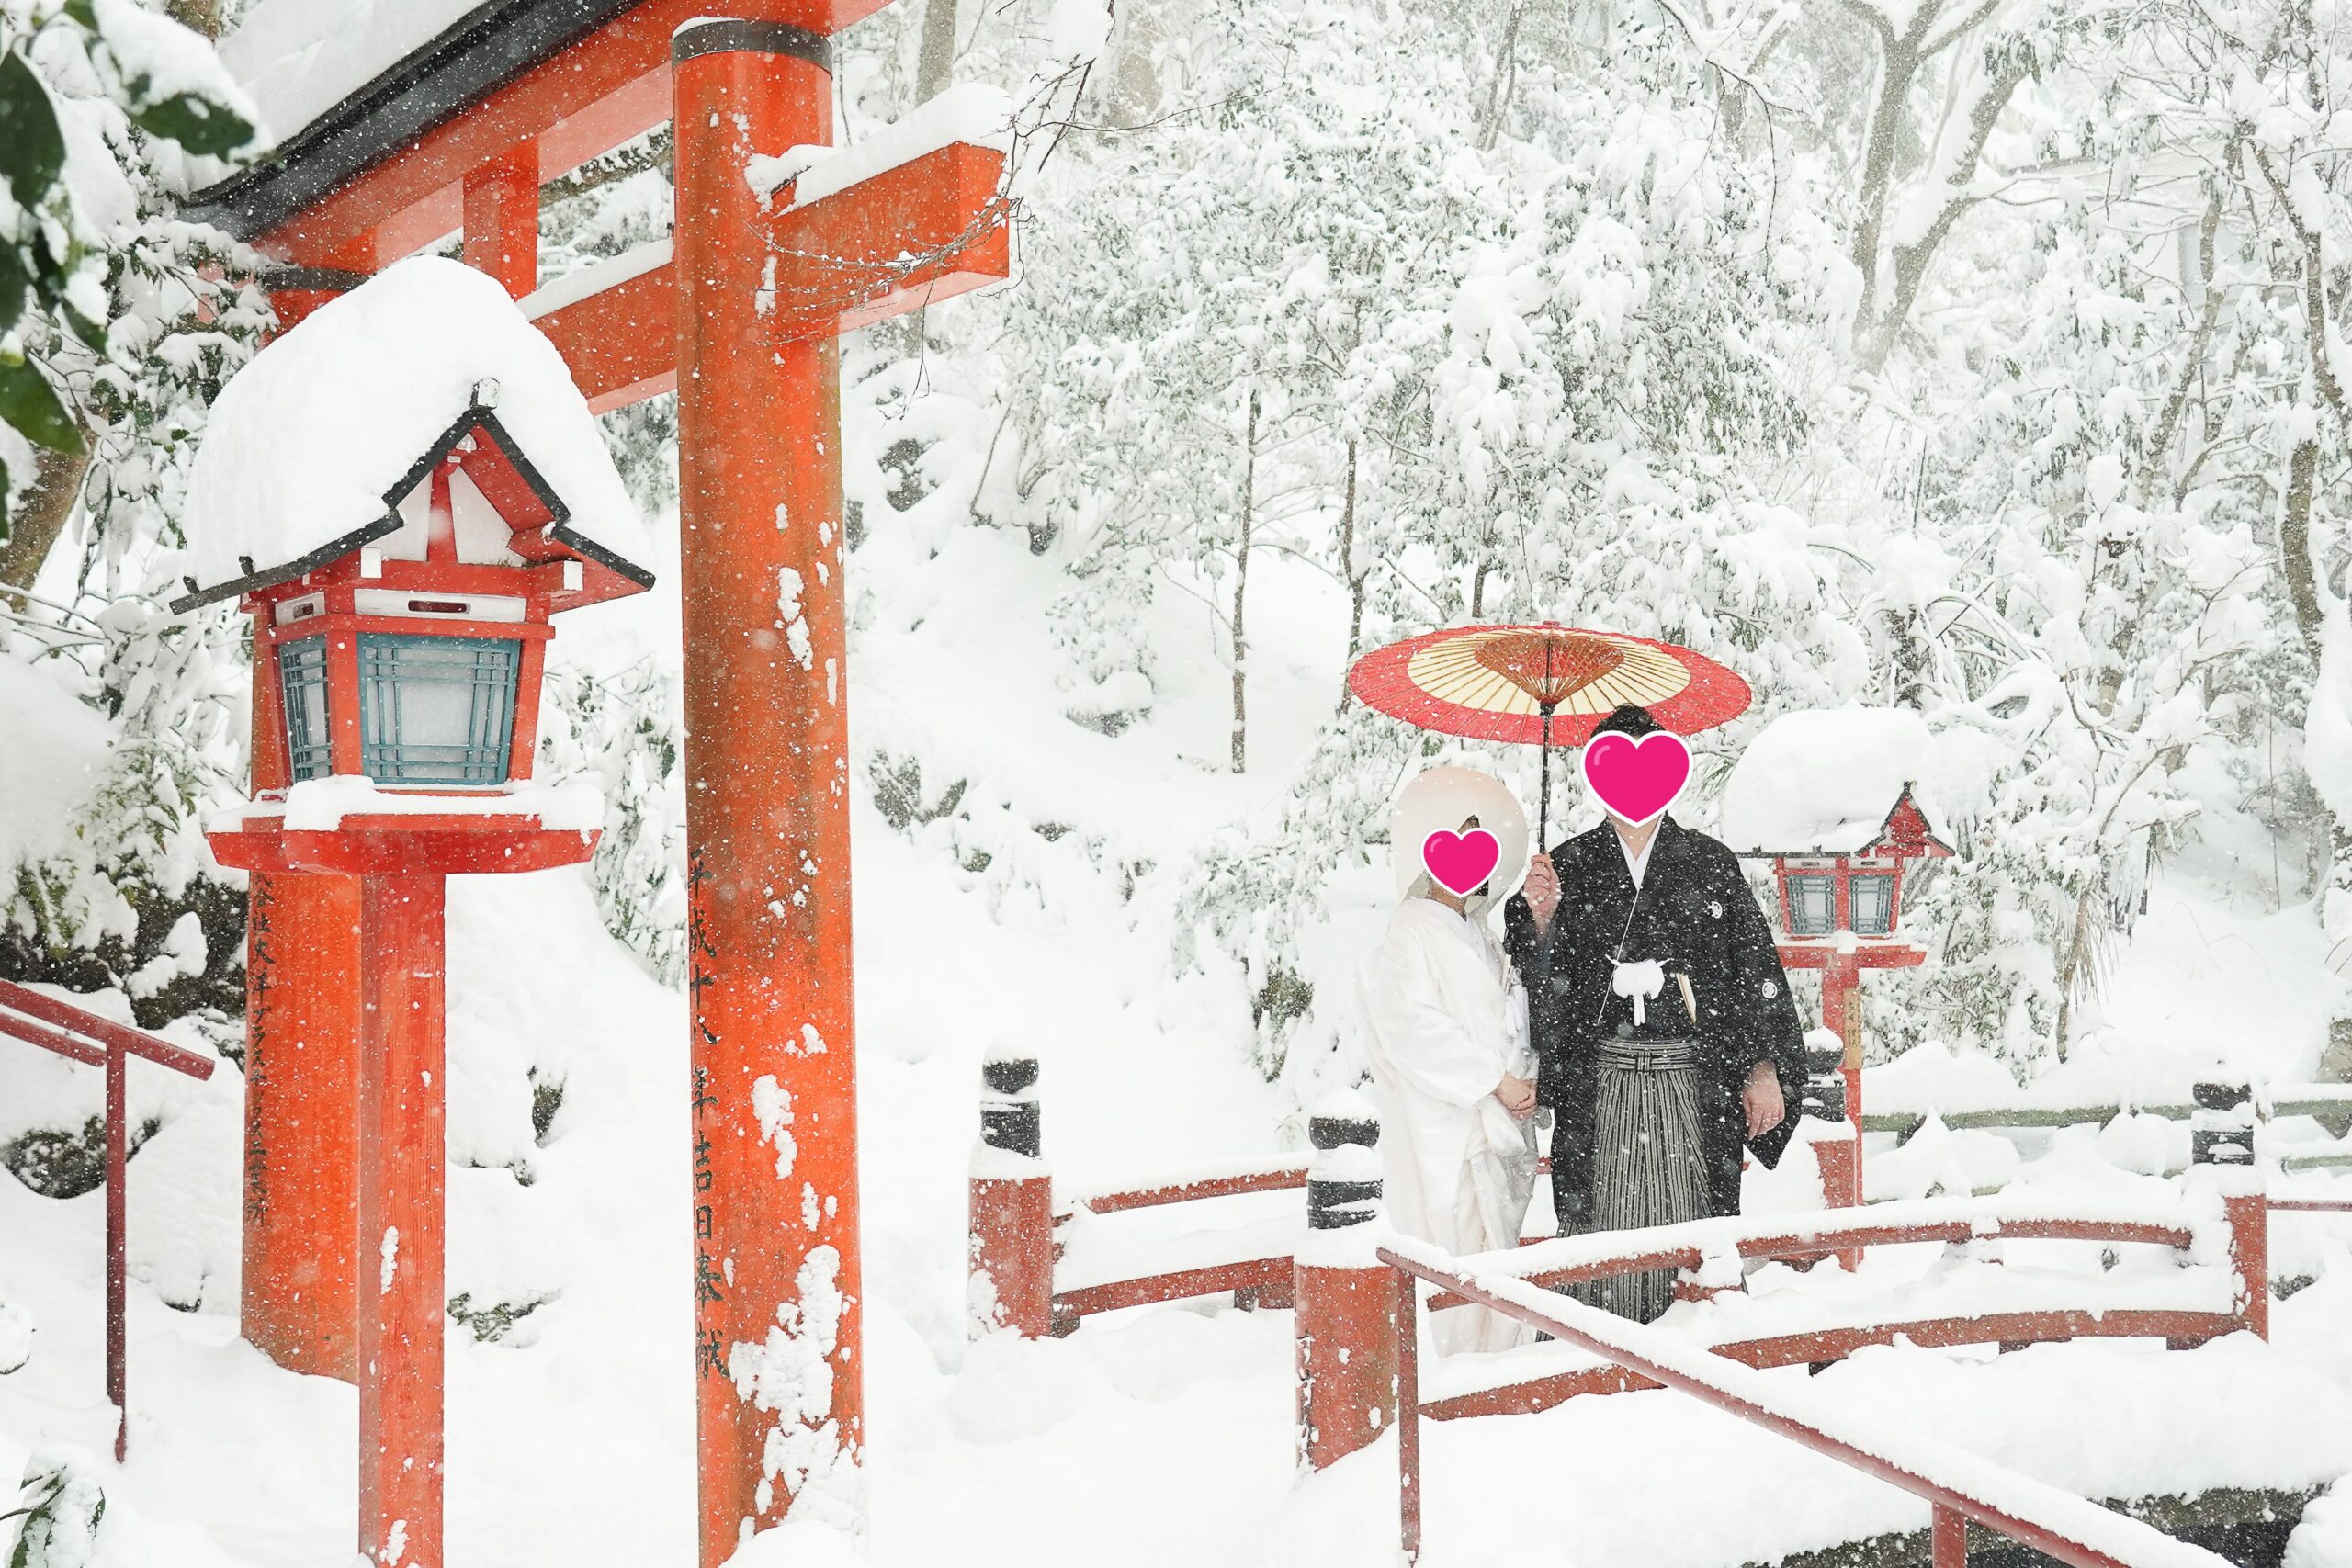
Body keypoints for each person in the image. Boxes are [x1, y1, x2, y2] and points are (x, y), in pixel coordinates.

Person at [1503, 704, 1805, 1323]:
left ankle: (1701, 1333)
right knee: (1601, 1223)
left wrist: (1762, 1067)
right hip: (1603, 1082)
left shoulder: (1710, 864)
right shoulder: (1566, 868)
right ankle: (1601, 1338)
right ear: (1597, 777)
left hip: (1692, 1082)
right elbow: (1537, 980)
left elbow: (1750, 969)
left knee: (1693, 1219)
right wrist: (1540, 918)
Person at [1357, 766, 1543, 1354]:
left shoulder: (1481, 934)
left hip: (1494, 1115)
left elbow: (1509, 1018)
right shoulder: (1411, 929)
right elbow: (1413, 1027)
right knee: (1454, 1238)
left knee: (1494, 1242)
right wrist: (1491, 1080)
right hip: (1447, 1117)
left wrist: (1519, 1075)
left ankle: (1497, 1360)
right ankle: (1457, 1367)